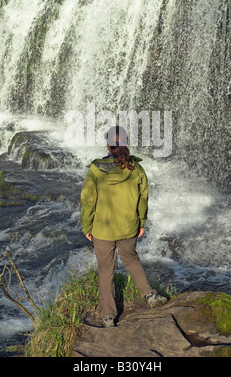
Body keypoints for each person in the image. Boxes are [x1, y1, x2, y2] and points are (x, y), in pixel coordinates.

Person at [80, 125, 167, 327]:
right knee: (131, 260)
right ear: (126, 144)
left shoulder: (96, 170)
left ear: (108, 145)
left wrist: (86, 226)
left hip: (102, 229)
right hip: (128, 227)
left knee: (106, 272)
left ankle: (108, 316)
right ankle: (150, 295)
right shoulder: (136, 169)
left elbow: (87, 201)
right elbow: (143, 198)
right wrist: (141, 221)